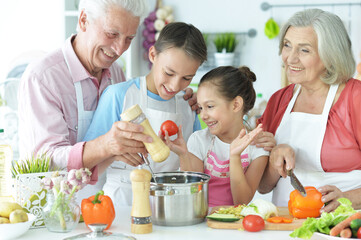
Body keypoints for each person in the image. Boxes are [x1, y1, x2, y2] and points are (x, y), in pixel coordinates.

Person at [17, 0, 198, 201]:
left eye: (129, 38)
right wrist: (106, 146)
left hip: (96, 206)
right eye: (112, 34)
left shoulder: (115, 72)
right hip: (50, 208)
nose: (120, 49)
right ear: (84, 20)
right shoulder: (43, 77)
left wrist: (191, 98)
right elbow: (45, 163)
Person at [83, 22, 207, 207]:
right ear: (152, 55)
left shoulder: (189, 105)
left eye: (187, 78)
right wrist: (113, 153)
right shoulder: (119, 96)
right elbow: (87, 165)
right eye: (169, 72)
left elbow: (198, 169)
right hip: (122, 203)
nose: (174, 86)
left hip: (173, 207)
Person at [257, 9, 361, 212]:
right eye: (287, 45)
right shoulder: (279, 100)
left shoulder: (355, 98)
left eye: (304, 50)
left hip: (343, 225)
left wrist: (348, 199)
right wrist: (274, 159)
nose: (291, 58)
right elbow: (262, 186)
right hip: (285, 223)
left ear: (330, 55)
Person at [164, 66, 269, 207]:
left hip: (234, 225)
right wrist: (184, 156)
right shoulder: (199, 140)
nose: (203, 115)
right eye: (201, 107)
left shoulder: (257, 148)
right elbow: (193, 192)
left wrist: (235, 156)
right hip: (200, 221)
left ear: (236, 104)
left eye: (210, 106)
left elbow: (242, 201)